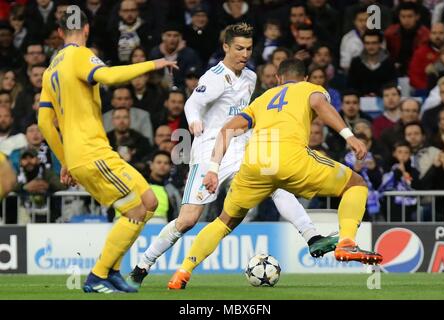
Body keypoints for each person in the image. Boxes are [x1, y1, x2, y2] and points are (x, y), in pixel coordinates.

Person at [127, 23, 339, 290]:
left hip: (240, 145)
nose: (244, 54)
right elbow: (193, 103)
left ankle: (312, 237)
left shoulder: (250, 77)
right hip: (209, 149)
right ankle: (142, 265)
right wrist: (193, 121)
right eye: (239, 48)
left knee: (275, 182)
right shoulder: (214, 77)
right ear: (226, 47)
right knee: (188, 219)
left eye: (249, 49)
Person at [167, 58, 383, 290]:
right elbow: (320, 103)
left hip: (255, 163)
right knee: (356, 184)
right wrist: (349, 136)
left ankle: (182, 272)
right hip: (290, 158)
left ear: (278, 79)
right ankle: (347, 242)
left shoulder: (262, 99)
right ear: (306, 78)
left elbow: (227, 129)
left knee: (224, 221)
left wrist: (213, 168)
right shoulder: (309, 89)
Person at [37, 9, 177, 293]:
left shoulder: (52, 68)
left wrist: (64, 160)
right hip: (92, 152)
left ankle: (112, 270)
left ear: (61, 32)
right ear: (86, 29)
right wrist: (153, 64)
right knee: (137, 208)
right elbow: (110, 76)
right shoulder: (78, 55)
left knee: (148, 201)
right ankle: (97, 276)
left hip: (85, 153)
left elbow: (43, 122)